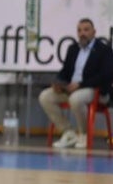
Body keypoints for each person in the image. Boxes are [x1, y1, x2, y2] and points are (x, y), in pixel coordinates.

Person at [37, 18, 113, 150]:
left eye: (86, 30)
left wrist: (80, 84)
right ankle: (68, 132)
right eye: (79, 30)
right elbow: (65, 71)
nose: (82, 33)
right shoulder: (73, 49)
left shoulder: (104, 50)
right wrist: (58, 82)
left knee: (76, 98)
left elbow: (105, 76)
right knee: (45, 96)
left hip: (95, 90)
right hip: (71, 89)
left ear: (94, 32)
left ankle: (83, 134)